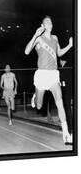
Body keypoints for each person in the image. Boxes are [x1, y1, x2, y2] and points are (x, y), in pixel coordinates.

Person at [25, 16, 73, 144]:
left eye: (51, 21)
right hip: (41, 75)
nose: (50, 23)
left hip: (53, 75)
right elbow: (26, 51)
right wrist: (35, 35)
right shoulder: (39, 38)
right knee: (39, 106)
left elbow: (59, 53)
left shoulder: (55, 38)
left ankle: (66, 134)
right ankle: (35, 96)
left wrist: (69, 45)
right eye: (47, 22)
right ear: (42, 25)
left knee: (60, 101)